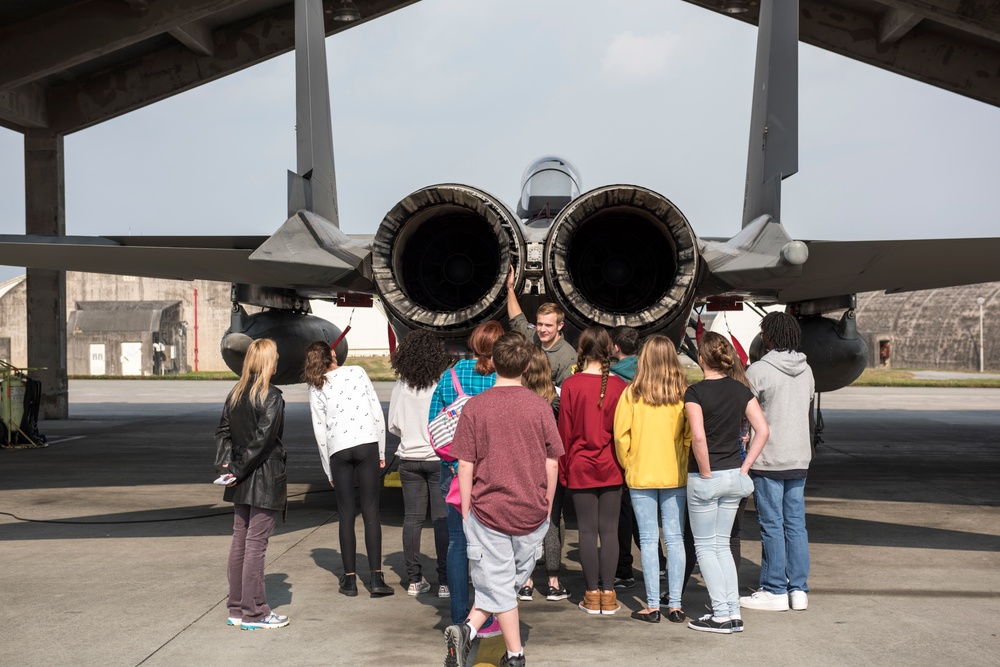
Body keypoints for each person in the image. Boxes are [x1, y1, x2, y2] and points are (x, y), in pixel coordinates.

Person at [443, 332, 562, 667]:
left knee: (499, 584)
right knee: (505, 583)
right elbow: (552, 460)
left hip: (488, 510)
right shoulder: (540, 406)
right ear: (526, 365)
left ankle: (469, 629)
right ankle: (515, 655)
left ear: (492, 362)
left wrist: (466, 510)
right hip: (531, 511)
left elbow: (464, 463)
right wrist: (548, 505)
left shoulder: (476, 407)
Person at [684, 331, 769, 634]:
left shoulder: (694, 393)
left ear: (702, 358)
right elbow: (762, 430)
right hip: (735, 474)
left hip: (706, 477)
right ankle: (732, 611)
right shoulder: (740, 390)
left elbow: (698, 436)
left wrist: (705, 471)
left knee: (705, 548)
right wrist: (746, 466)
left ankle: (721, 613)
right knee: (722, 545)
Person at [429, 320, 505, 633]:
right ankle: (487, 613)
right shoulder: (503, 380)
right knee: (494, 548)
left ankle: (460, 616)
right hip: (494, 474)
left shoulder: (451, 376)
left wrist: (450, 463)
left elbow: (433, 422)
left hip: (455, 472)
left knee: (458, 545)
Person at [740, 312, 815, 613]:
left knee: (771, 525)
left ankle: (773, 589)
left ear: (769, 337)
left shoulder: (758, 371)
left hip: (769, 458)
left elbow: (744, 414)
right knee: (796, 525)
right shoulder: (807, 369)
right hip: (799, 457)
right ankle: (798, 589)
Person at [304, 341, 393, 598]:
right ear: (332, 354)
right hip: (366, 443)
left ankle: (350, 580)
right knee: (371, 511)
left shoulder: (316, 385)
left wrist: (328, 470)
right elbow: (376, 411)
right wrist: (381, 450)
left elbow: (319, 430)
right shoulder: (357, 372)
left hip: (338, 450)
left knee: (346, 514)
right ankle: (376, 579)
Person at [613, 334, 691, 624]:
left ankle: (653, 605)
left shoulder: (632, 392)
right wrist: (681, 461)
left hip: (641, 473)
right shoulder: (683, 393)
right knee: (675, 539)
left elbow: (622, 437)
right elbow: (688, 436)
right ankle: (677, 604)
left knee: (647, 539)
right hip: (675, 473)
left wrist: (629, 462)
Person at [214, 338, 290, 630]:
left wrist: (227, 467)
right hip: (262, 477)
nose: (280, 359)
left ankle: (236, 608)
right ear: (269, 362)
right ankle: (255, 612)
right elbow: (263, 441)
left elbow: (222, 431)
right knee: (256, 545)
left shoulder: (235, 393)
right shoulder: (271, 396)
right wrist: (238, 468)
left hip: (239, 478)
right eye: (276, 356)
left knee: (240, 542)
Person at [558, 325, 628, 615]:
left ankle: (591, 594)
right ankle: (609, 594)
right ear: (610, 349)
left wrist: (563, 470)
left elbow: (564, 433)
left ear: (582, 350)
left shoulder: (572, 385)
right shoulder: (620, 386)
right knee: (609, 531)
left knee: (586, 530)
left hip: (580, 465)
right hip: (612, 466)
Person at [388, 330, 449, 598]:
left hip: (409, 459)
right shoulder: (441, 382)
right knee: (441, 520)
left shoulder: (401, 385)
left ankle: (414, 579)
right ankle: (446, 580)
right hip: (437, 459)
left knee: (411, 519)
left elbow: (393, 425)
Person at [608, 325, 666, 589]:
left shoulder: (611, 378)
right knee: (649, 518)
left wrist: (624, 461)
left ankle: (623, 569)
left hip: (626, 458)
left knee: (624, 515)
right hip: (654, 456)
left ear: (615, 347)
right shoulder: (650, 376)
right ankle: (660, 564)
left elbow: (620, 431)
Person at [518, 346, 569, 602]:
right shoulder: (557, 400)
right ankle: (553, 581)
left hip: (524, 470)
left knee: (525, 524)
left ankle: (525, 581)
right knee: (551, 520)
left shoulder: (519, 400)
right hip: (551, 468)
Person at [506, 267, 576, 385]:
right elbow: (517, 320)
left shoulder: (568, 357)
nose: (542, 330)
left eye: (548, 325)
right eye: (539, 324)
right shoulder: (532, 335)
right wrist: (510, 288)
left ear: (560, 325)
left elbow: (565, 393)